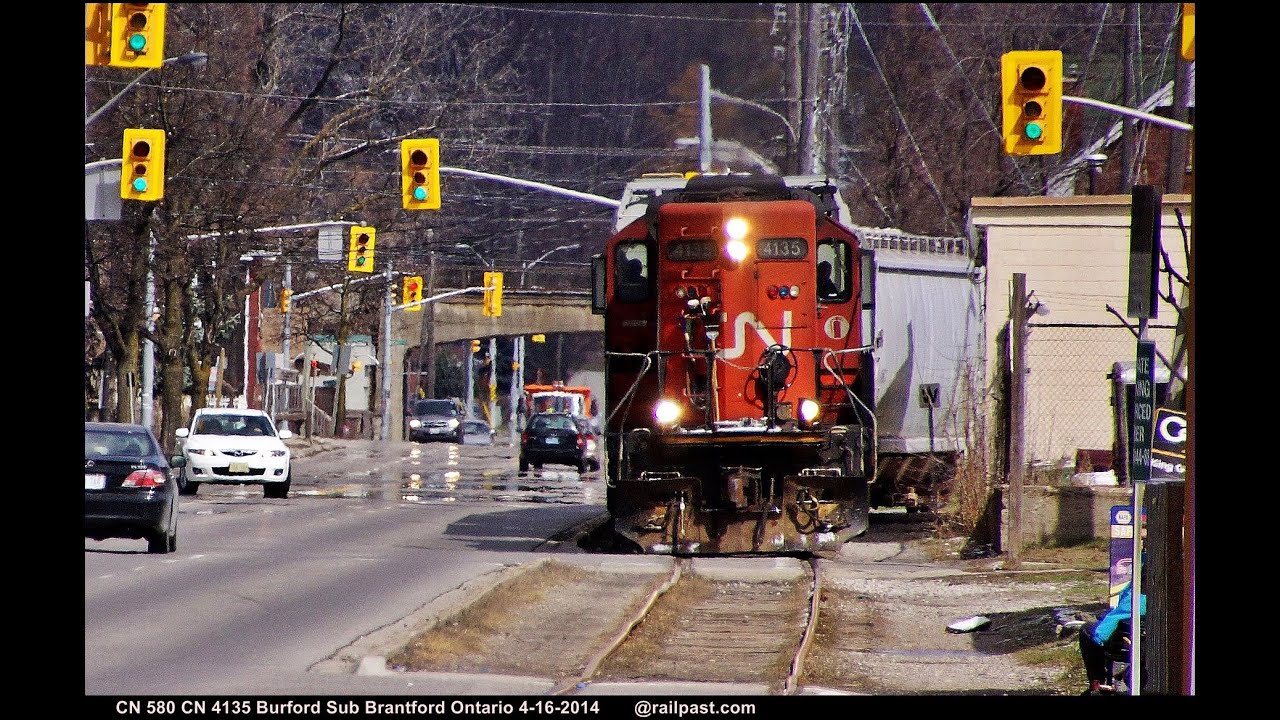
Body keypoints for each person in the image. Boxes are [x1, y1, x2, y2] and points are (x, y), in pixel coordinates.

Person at [1079, 580, 1146, 694]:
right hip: (1148, 639)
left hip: (1128, 639)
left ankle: (1097, 683)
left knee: (1087, 631)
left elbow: (1104, 630)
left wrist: (1099, 636)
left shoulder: (1137, 595)